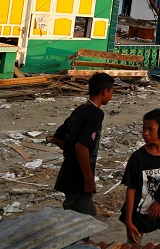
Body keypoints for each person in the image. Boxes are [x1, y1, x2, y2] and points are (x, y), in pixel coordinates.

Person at [49, 72, 114, 216]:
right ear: (105, 91)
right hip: (79, 178)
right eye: (111, 92)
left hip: (69, 173)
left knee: (89, 213)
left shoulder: (80, 109)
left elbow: (57, 138)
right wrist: (89, 180)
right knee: (80, 221)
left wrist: (70, 152)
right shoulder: (96, 114)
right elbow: (81, 146)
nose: (111, 96)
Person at [119, 108, 160, 244]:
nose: (145, 133)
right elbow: (131, 189)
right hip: (138, 216)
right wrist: (128, 222)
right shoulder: (137, 158)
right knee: (133, 245)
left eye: (151, 130)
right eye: (144, 129)